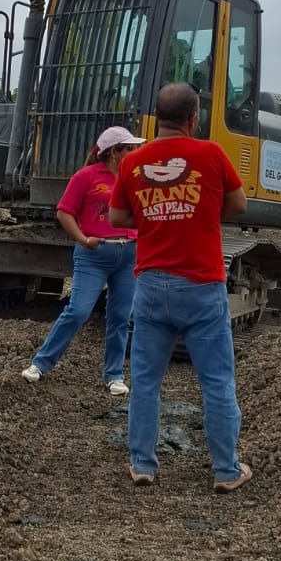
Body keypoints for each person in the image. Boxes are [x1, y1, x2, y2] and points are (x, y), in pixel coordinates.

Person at [109, 82, 251, 493]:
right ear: (193, 118)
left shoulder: (132, 162)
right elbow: (239, 203)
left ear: (157, 118)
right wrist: (197, 212)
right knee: (217, 382)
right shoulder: (211, 154)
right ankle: (226, 470)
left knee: (145, 381)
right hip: (202, 285)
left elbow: (117, 218)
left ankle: (142, 465)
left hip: (152, 285)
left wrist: (154, 215)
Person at [20, 125, 143, 395]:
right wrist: (83, 239)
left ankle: (114, 375)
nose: (134, 152)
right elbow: (64, 212)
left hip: (128, 254)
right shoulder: (86, 177)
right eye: (129, 148)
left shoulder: (134, 178)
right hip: (94, 255)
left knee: (121, 316)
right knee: (78, 310)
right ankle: (40, 364)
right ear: (114, 152)